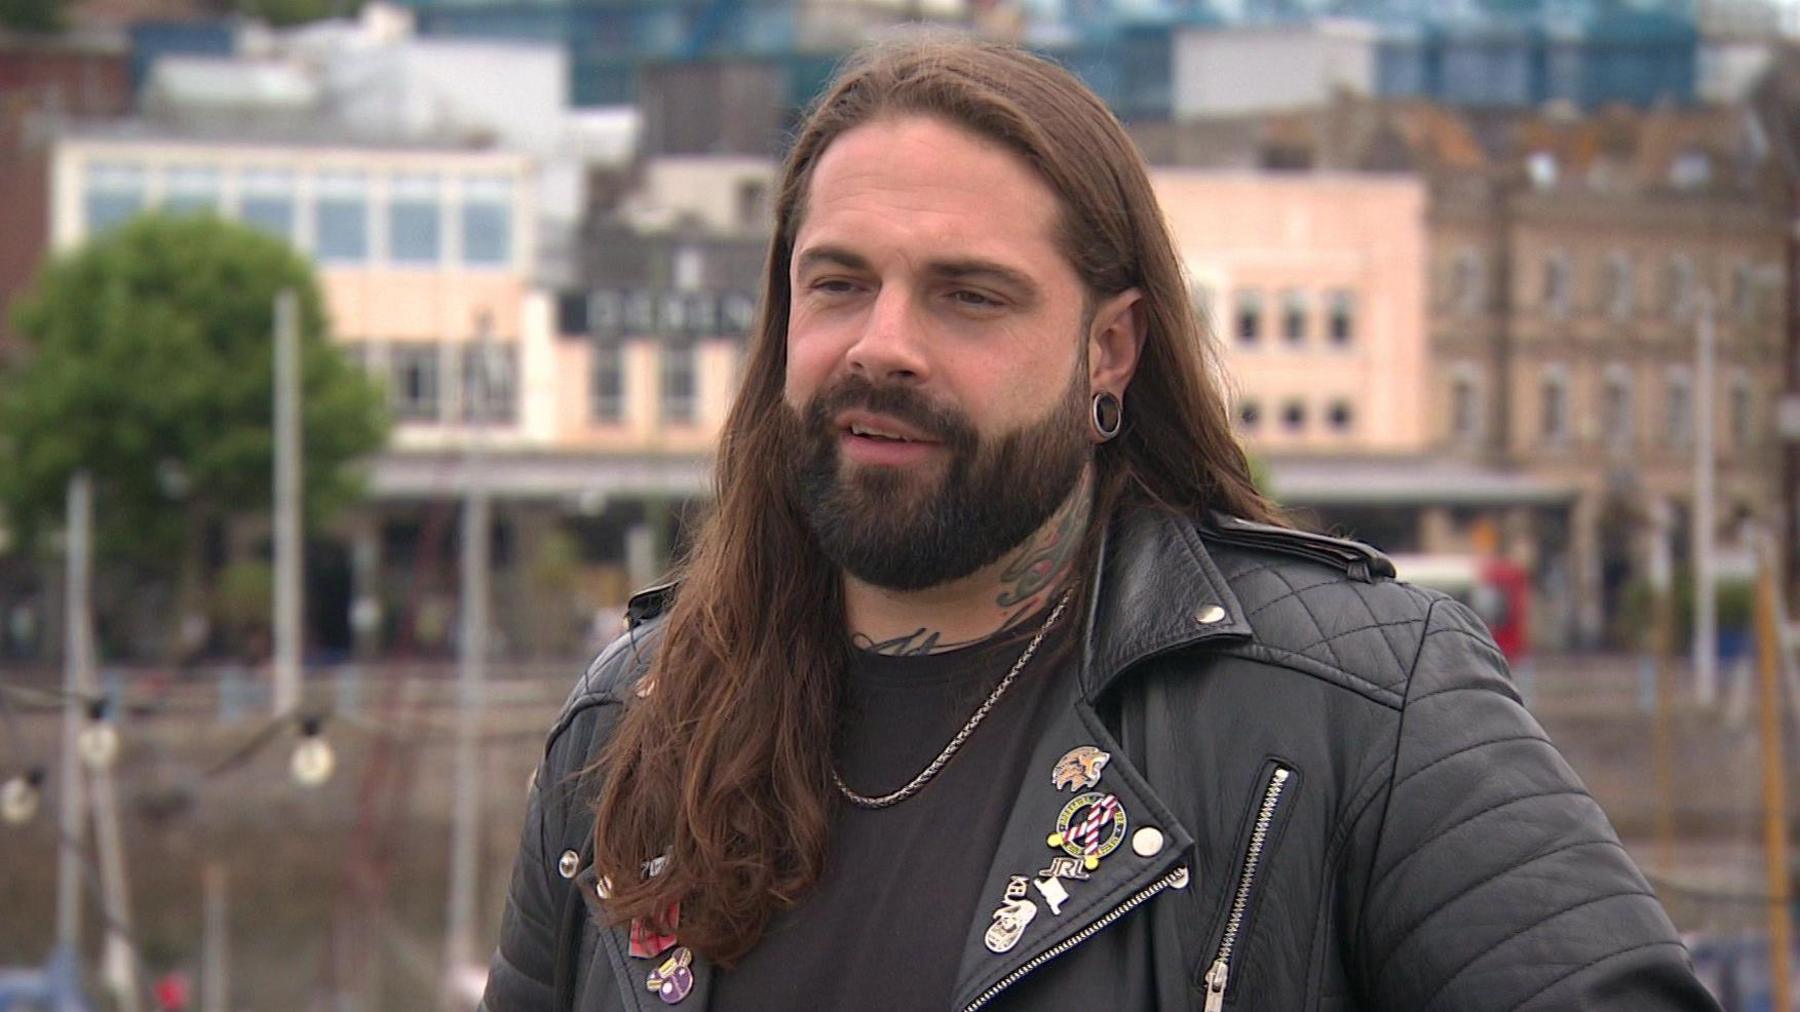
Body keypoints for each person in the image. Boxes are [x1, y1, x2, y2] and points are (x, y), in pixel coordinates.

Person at [482, 39, 1718, 1012]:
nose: (883, 344)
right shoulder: (627, 731)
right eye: (840, 283)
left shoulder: (1357, 707)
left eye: (970, 296)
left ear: (1108, 349)